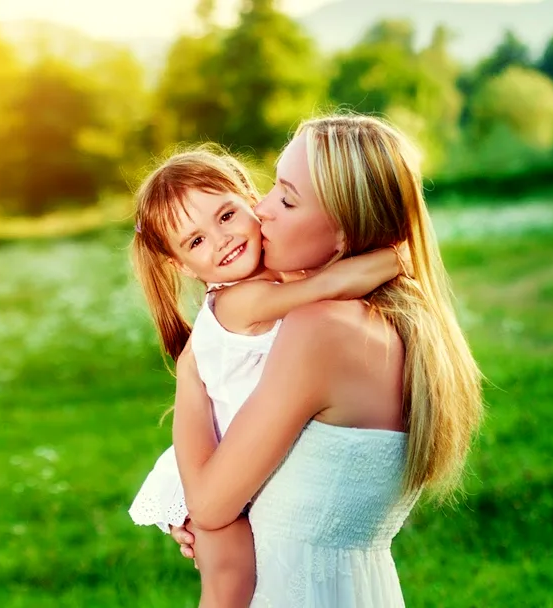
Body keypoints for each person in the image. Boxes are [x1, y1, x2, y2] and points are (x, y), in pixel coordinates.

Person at [169, 114, 484, 607]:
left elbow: (209, 504)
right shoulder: (394, 318)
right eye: (272, 186)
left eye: (287, 198)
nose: (261, 209)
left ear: (343, 233)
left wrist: (190, 374)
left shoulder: (321, 330)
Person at [126, 146, 408, 607]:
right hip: (214, 463)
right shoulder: (239, 301)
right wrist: (396, 258)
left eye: (225, 215)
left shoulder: (273, 281)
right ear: (181, 266)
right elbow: (327, 286)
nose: (220, 240)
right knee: (230, 584)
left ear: (250, 201)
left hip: (234, 463)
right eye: (195, 242)